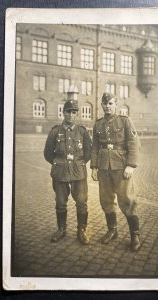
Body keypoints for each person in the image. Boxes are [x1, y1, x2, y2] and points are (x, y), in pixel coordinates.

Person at [90, 92, 141, 251]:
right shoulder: (98, 124)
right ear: (102, 105)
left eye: (110, 103)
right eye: (105, 104)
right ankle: (112, 230)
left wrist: (131, 165)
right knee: (106, 200)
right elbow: (95, 147)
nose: (107, 106)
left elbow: (134, 144)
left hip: (121, 167)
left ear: (115, 105)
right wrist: (94, 167)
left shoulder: (125, 121)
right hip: (104, 167)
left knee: (127, 200)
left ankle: (135, 235)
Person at [44, 99, 92, 245]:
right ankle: (61, 229)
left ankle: (81, 230)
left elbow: (88, 152)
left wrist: (78, 163)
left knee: (82, 202)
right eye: (68, 111)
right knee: (60, 203)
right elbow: (47, 153)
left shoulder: (82, 132)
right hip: (60, 172)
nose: (71, 115)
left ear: (76, 114)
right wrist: (59, 164)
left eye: (74, 112)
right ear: (63, 113)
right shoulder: (55, 131)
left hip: (78, 172)